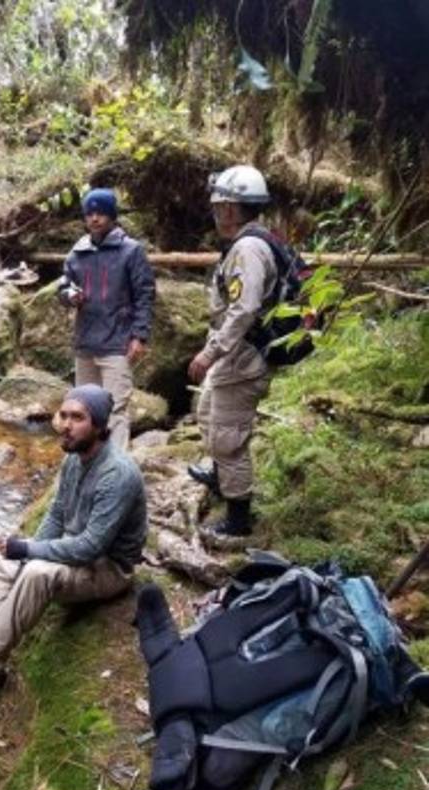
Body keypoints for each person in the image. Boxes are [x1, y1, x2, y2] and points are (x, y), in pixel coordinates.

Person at [0, 384, 147, 698]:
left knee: (37, 572)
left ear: (98, 425)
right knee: (2, 556)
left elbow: (89, 547)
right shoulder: (73, 459)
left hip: (109, 568)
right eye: (63, 415)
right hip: (78, 551)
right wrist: (24, 551)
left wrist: (30, 551)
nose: (65, 425)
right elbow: (56, 515)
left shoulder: (118, 474)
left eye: (77, 418)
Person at [187, 165, 278, 537]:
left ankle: (238, 518)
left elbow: (245, 308)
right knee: (209, 412)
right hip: (234, 356)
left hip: (242, 357)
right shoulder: (249, 243)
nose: (215, 213)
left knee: (228, 436)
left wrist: (211, 352)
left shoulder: (248, 248)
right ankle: (219, 475)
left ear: (229, 208)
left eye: (218, 205)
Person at [58, 188, 156, 450]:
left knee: (116, 408)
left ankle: (117, 468)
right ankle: (87, 461)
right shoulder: (77, 252)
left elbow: (145, 294)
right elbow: (63, 287)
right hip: (85, 341)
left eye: (101, 213)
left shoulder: (131, 251)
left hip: (118, 341)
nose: (95, 218)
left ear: (112, 216)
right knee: (84, 409)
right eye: (90, 213)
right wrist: (70, 296)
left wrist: (139, 335)